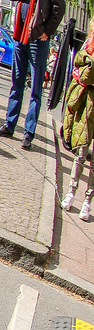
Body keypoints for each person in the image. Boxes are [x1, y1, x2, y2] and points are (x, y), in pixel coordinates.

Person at [0, 0, 66, 149]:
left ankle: (29, 133)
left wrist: (47, 30)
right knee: (17, 83)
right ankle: (10, 124)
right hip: (20, 36)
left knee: (35, 89)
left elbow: (59, 6)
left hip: (37, 38)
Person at [62, 32, 94, 220]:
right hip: (86, 106)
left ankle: (87, 201)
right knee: (81, 152)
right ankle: (71, 192)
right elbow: (82, 73)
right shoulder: (89, 45)